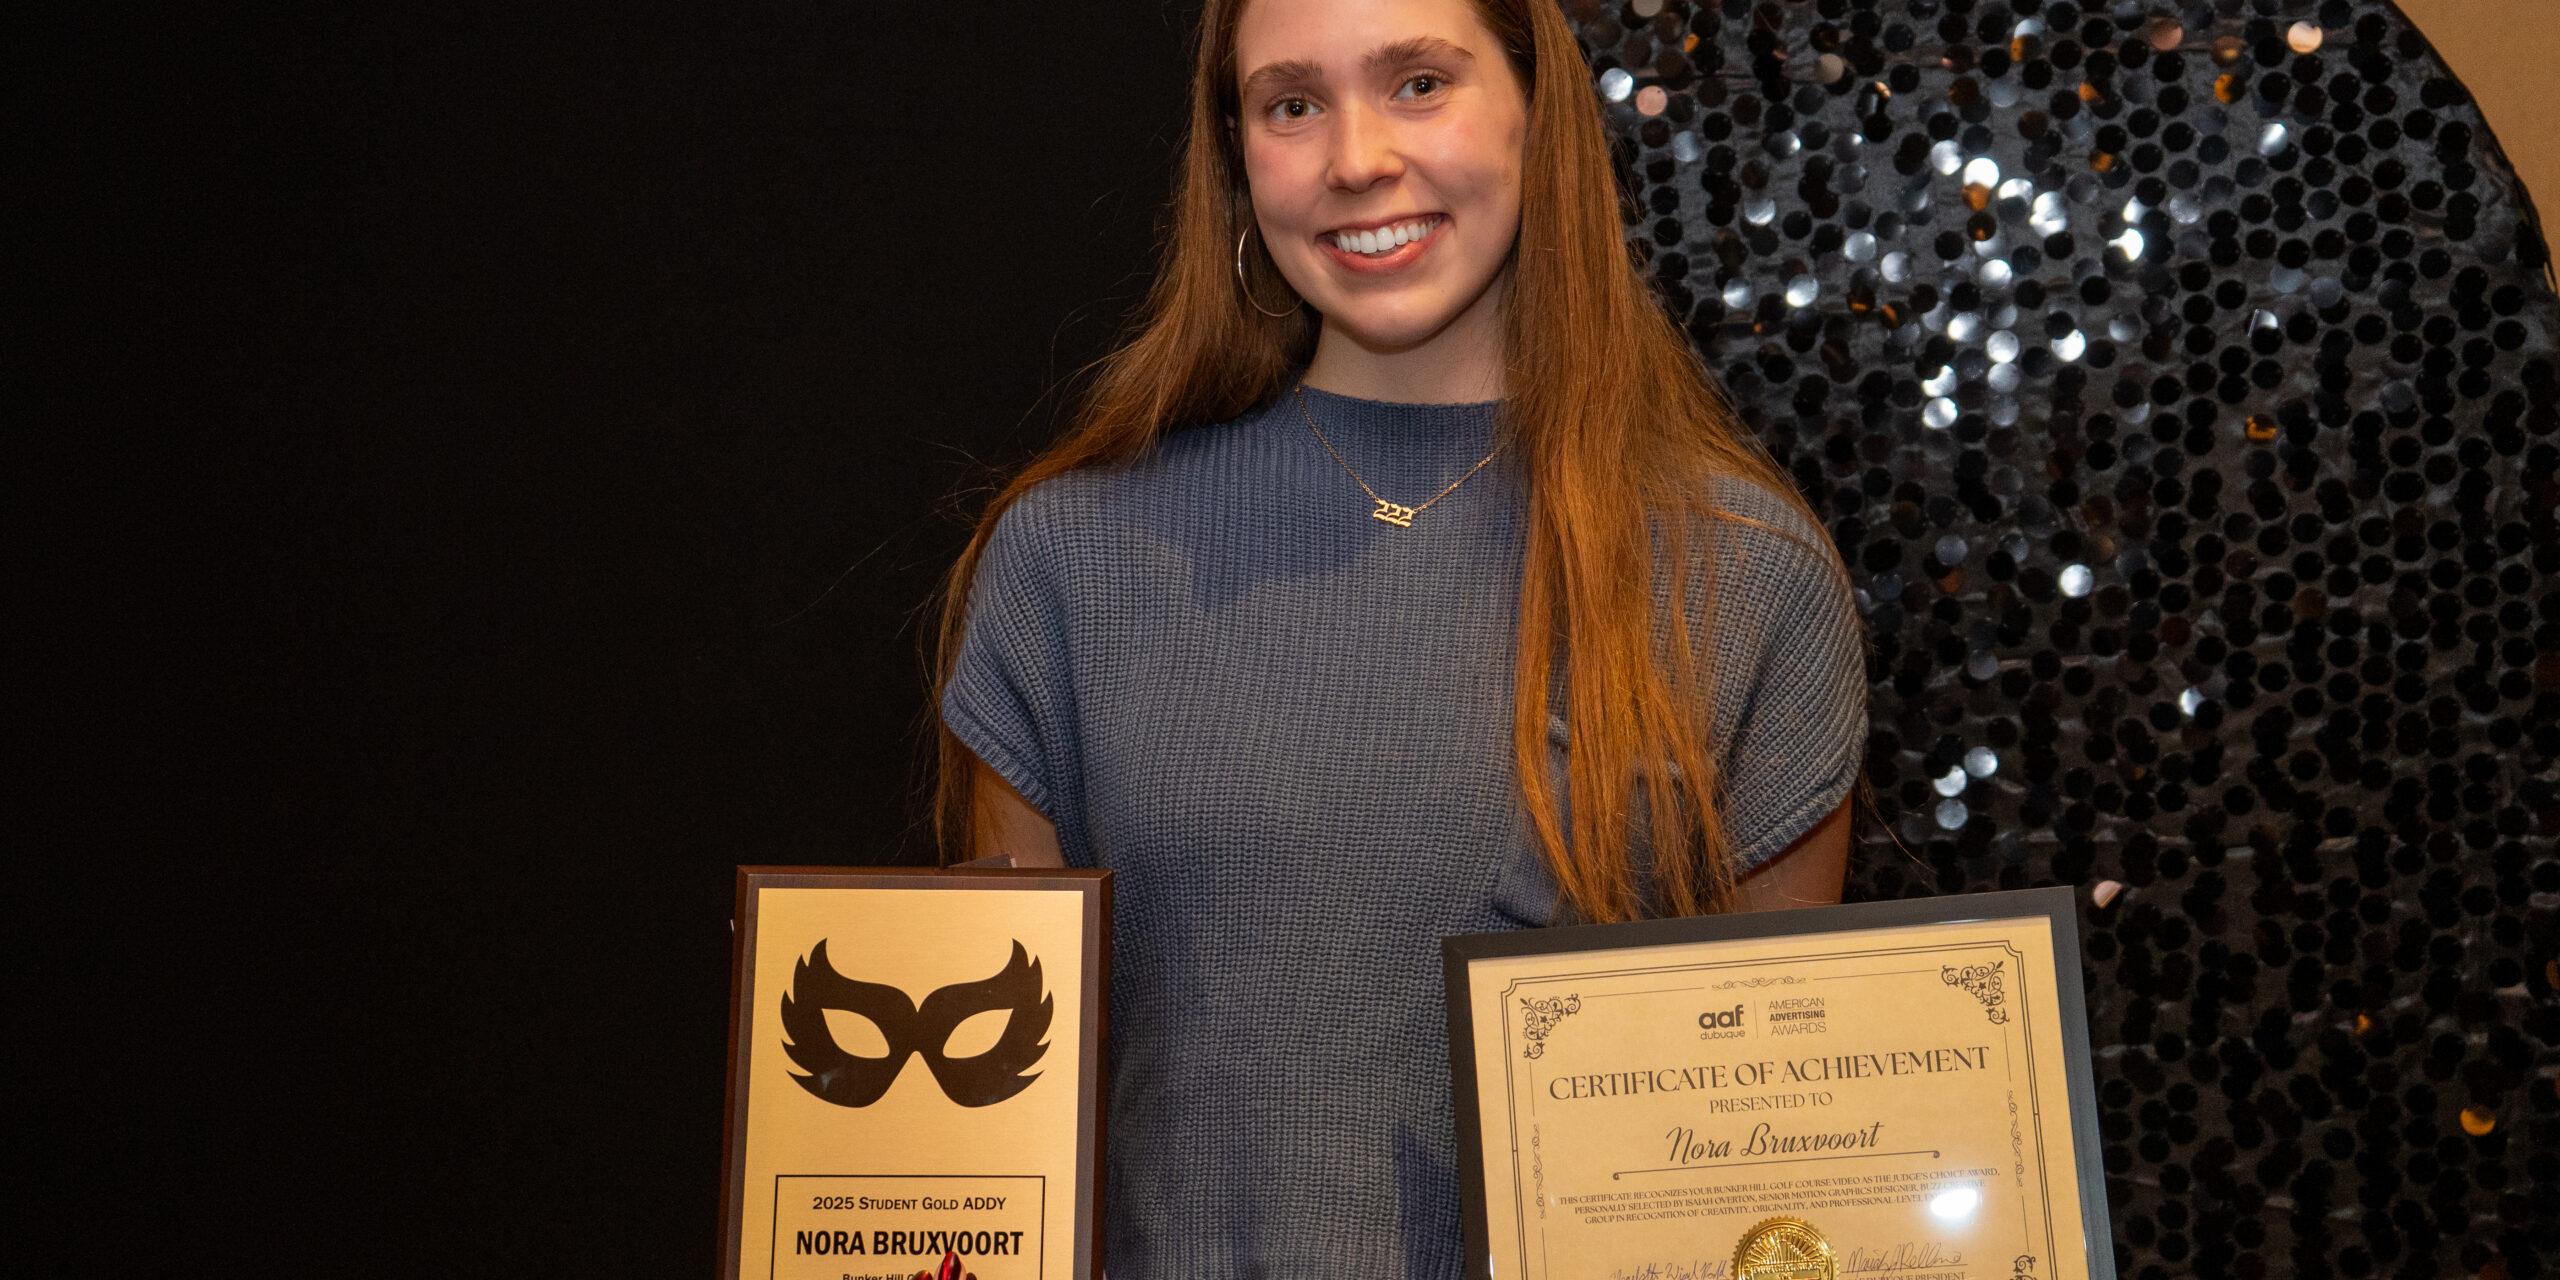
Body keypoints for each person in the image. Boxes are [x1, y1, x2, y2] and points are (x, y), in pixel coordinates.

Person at [930, 0, 1868, 1273]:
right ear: (1234, 153)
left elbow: (1789, 1164)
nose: (1356, 157)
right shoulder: (1070, 562)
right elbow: (985, 1146)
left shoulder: (1739, 573)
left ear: (1539, 114)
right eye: (1292, 103)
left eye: (1418, 81)